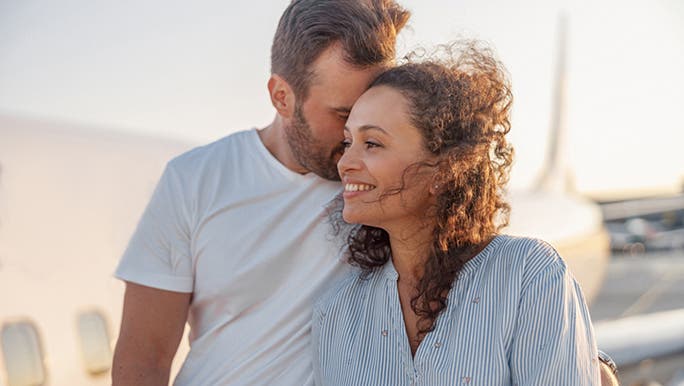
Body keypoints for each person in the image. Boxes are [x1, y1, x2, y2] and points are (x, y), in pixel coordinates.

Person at [111, 1, 410, 385]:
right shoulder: (192, 180)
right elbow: (144, 354)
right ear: (282, 97)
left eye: (373, 116)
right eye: (343, 114)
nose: (358, 134)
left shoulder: (389, 183)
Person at [313, 41, 601, 385]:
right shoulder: (337, 311)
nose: (345, 163)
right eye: (348, 143)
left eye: (372, 144)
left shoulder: (529, 276)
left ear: (446, 168)